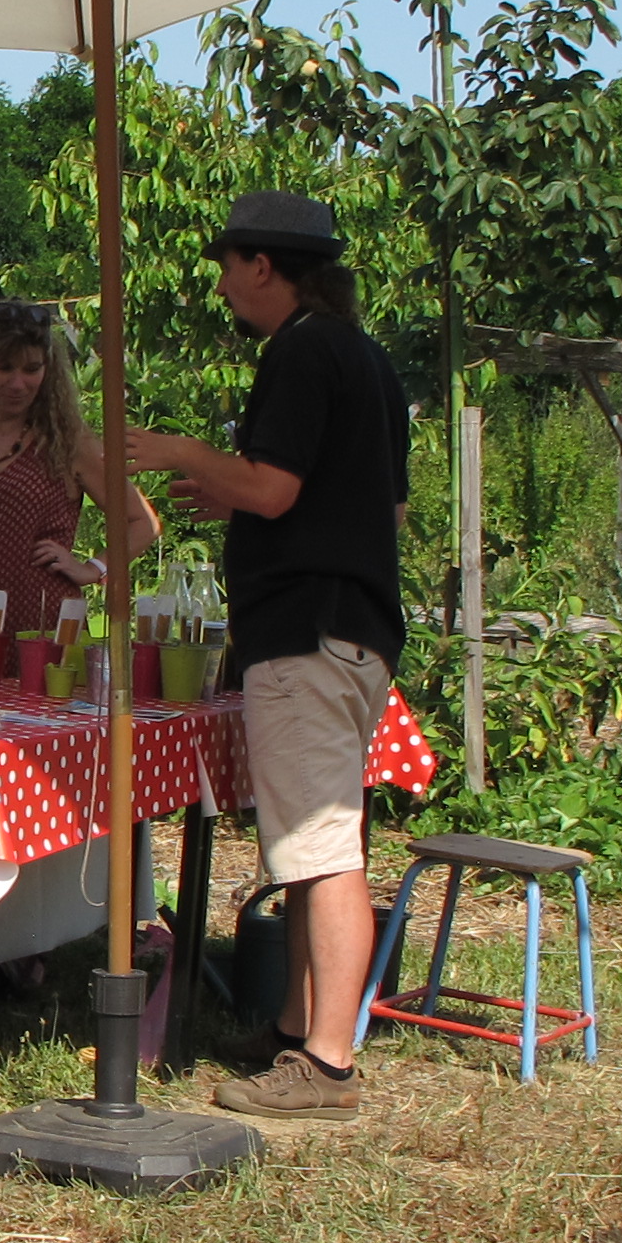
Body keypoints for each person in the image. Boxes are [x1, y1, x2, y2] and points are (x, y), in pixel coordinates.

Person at [125, 192, 413, 1122]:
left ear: (262, 266)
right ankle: (295, 1025)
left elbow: (280, 487)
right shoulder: (366, 358)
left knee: (323, 851)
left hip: (305, 635)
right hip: (357, 629)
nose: (218, 283)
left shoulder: (298, 349)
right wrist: (242, 497)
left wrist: (182, 453)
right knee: (312, 837)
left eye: (225, 264)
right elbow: (377, 507)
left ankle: (326, 1063)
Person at [0, 301, 161, 637]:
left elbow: (143, 523)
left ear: (47, 369)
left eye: (32, 369)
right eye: (4, 368)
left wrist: (94, 568)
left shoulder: (68, 442)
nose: (18, 384)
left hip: (42, 634)